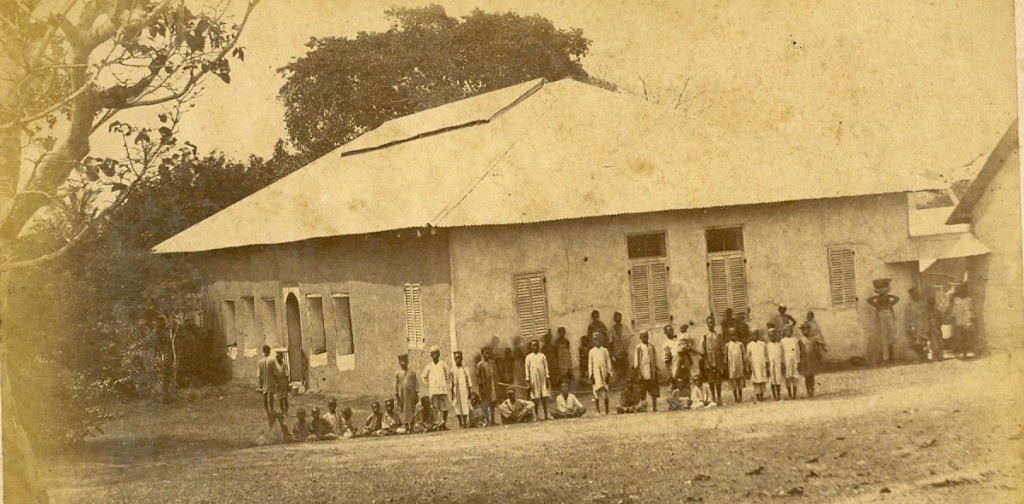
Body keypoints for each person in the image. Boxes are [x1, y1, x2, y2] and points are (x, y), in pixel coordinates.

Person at [422, 345, 452, 429]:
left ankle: (444, 424)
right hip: (434, 390)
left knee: (444, 407)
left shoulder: (443, 364)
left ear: (439, 354)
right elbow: (423, 376)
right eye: (433, 353)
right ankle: (437, 424)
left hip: (442, 389)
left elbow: (448, 375)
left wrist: (446, 383)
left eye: (437, 353)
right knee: (435, 408)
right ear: (431, 355)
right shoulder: (429, 366)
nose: (435, 355)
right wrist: (427, 383)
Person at [867, 287, 900, 363]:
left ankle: (892, 356)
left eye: (885, 296)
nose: (883, 298)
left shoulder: (889, 305)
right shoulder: (878, 306)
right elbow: (869, 300)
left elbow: (897, 298)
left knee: (891, 338)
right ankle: (885, 357)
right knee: (883, 338)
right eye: (882, 297)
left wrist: (888, 295)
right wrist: (878, 295)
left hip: (889, 326)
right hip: (882, 325)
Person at [633, 330, 660, 411]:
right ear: (640, 337)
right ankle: (643, 407)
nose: (646, 338)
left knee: (654, 390)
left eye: (647, 336)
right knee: (643, 390)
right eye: (644, 336)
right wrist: (638, 372)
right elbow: (636, 359)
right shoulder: (639, 347)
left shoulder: (651, 346)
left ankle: (655, 406)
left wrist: (656, 368)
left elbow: (655, 357)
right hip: (643, 371)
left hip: (651, 371)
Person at [798, 322, 826, 398]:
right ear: (802, 331)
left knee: (812, 375)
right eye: (803, 330)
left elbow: (816, 349)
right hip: (804, 360)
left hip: (812, 359)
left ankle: (812, 390)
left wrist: (818, 356)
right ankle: (808, 391)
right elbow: (799, 350)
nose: (805, 331)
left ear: (809, 330)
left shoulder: (813, 339)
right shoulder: (800, 340)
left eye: (807, 329)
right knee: (807, 376)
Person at [701, 316, 724, 406]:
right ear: (707, 324)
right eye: (709, 323)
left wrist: (721, 361)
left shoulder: (718, 334)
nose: (710, 324)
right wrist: (706, 361)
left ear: (714, 323)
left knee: (718, 380)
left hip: (717, 360)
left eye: (712, 322)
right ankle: (713, 397)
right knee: (711, 380)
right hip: (709, 361)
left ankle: (719, 398)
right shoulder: (704, 336)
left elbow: (722, 348)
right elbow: (702, 350)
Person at [525, 339, 551, 420]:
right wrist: (528, 381)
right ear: (531, 347)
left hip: (542, 378)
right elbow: (527, 369)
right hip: (533, 378)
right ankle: (536, 415)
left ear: (539, 346)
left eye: (536, 345)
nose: (535, 346)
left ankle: (546, 415)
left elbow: (546, 367)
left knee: (544, 396)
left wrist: (547, 378)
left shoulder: (542, 356)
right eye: (533, 345)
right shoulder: (528, 357)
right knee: (535, 397)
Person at [588, 334, 613, 415]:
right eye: (595, 340)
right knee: (596, 392)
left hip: (604, 373)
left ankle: (607, 410)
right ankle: (597, 410)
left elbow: (608, 362)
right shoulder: (591, 351)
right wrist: (591, 375)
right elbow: (590, 364)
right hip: (596, 374)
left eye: (598, 340)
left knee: (605, 391)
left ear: (601, 340)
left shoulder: (605, 350)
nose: (597, 341)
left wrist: (608, 373)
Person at [394, 354, 418, 433]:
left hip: (411, 394)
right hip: (402, 395)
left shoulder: (412, 373)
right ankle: (406, 426)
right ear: (399, 362)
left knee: (411, 408)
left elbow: (416, 384)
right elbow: (395, 385)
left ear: (408, 361)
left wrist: (416, 395)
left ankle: (411, 426)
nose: (404, 362)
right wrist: (397, 396)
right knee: (403, 409)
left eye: (405, 361)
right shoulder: (398, 374)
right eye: (402, 361)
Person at [476, 346, 499, 426]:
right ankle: (487, 421)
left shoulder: (492, 363)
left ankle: (493, 420)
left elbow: (495, 373)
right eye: (485, 353)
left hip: (492, 385)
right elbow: (478, 378)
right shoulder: (480, 365)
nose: (487, 355)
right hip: (485, 387)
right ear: (482, 354)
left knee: (493, 403)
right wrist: (482, 389)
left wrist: (496, 382)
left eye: (488, 353)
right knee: (486, 404)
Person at [450, 350, 474, 427]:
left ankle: (465, 422)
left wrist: (469, 392)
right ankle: (460, 423)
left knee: (464, 405)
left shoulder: (465, 369)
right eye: (456, 358)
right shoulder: (452, 370)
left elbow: (469, 381)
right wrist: (452, 395)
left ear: (461, 358)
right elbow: (452, 383)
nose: (457, 359)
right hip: (456, 391)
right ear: (454, 359)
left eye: (459, 358)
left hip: (464, 389)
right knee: (457, 406)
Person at [950, 284, 974, 358]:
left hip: (966, 321)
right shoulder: (956, 299)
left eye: (964, 290)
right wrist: (953, 319)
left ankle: (965, 353)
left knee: (967, 337)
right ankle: (961, 351)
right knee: (960, 338)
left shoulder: (969, 300)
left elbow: (971, 310)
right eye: (961, 290)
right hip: (959, 321)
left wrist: (971, 320)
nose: (962, 291)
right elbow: (954, 311)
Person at [905, 288, 929, 361]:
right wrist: (910, 326)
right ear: (911, 295)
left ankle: (925, 356)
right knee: (916, 341)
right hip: (914, 325)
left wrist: (926, 323)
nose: (917, 295)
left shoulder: (921, 303)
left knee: (923, 340)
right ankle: (918, 356)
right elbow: (908, 316)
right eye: (915, 293)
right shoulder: (909, 305)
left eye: (917, 293)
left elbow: (925, 314)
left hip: (922, 324)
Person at [609, 312, 634, 380]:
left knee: (625, 365)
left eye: (619, 317)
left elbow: (630, 336)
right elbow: (610, 341)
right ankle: (620, 379)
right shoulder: (612, 329)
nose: (618, 318)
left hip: (624, 351)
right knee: (617, 365)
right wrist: (612, 353)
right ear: (614, 318)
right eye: (616, 317)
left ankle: (626, 380)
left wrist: (626, 347)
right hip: (616, 351)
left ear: (621, 318)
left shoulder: (625, 327)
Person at [724, 327, 746, 403]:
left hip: (739, 365)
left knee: (740, 381)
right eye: (731, 334)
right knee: (733, 382)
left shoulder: (740, 344)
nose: (733, 335)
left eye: (734, 333)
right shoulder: (727, 345)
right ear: (729, 335)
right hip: (732, 366)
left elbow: (744, 355)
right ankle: (735, 397)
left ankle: (740, 397)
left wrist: (745, 365)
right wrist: (726, 367)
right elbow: (725, 357)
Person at [747, 329, 769, 401]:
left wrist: (766, 363)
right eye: (752, 335)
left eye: (756, 334)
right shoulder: (749, 345)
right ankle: (758, 395)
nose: (754, 336)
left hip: (761, 364)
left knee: (762, 379)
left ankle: (762, 394)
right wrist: (749, 365)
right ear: (750, 336)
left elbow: (765, 355)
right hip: (754, 365)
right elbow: (749, 356)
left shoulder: (762, 344)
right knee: (756, 380)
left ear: (758, 335)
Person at [781, 325, 801, 399]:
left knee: (795, 376)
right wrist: (782, 362)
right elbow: (782, 353)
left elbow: (798, 351)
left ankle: (794, 393)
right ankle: (789, 393)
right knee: (788, 377)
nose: (787, 332)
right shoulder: (783, 341)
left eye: (789, 330)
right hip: (787, 361)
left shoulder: (795, 340)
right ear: (784, 332)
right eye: (786, 331)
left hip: (794, 360)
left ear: (791, 331)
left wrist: (798, 361)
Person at [256, 345, 275, 418]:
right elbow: (274, 372)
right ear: (269, 352)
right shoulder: (272, 360)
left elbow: (259, 374)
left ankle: (267, 411)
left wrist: (260, 383)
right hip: (270, 381)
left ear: (263, 352)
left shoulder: (260, 361)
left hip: (264, 381)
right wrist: (276, 381)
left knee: (265, 394)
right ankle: (271, 409)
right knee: (271, 395)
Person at [663, 324, 683, 391]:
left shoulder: (678, 339)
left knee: (685, 386)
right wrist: (668, 373)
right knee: (675, 388)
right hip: (674, 367)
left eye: (671, 330)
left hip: (683, 366)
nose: (670, 332)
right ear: (665, 333)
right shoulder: (666, 344)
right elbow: (666, 360)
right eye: (668, 331)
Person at [766, 324, 784, 401]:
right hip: (771, 365)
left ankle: (779, 394)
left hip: (778, 364)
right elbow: (766, 356)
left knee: (778, 379)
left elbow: (782, 355)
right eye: (771, 336)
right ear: (769, 337)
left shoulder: (779, 345)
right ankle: (774, 395)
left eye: (774, 335)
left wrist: (782, 363)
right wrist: (767, 365)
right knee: (772, 380)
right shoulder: (767, 346)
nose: (772, 337)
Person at [926, 298, 944, 362]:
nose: (931, 305)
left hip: (937, 328)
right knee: (934, 344)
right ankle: (935, 357)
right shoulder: (927, 312)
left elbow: (941, 320)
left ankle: (940, 356)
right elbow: (926, 322)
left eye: (932, 303)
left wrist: (938, 326)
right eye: (929, 303)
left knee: (940, 343)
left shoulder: (938, 311)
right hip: (931, 330)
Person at [272, 351, 290, 415]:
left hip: (284, 384)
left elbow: (287, 375)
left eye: (278, 357)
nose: (277, 358)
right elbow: (274, 376)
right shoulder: (275, 366)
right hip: (278, 384)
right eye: (276, 357)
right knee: (280, 399)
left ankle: (286, 411)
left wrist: (287, 384)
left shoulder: (284, 366)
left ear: (281, 357)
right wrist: (276, 383)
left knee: (285, 398)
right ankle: (282, 411)